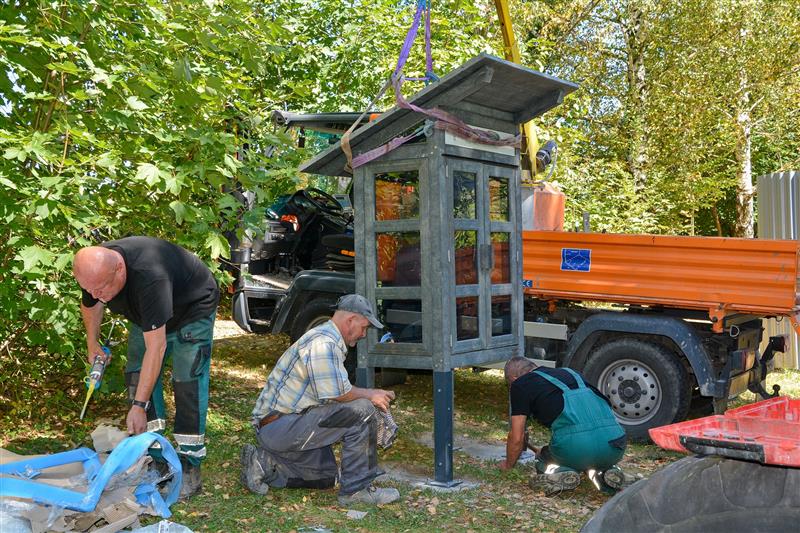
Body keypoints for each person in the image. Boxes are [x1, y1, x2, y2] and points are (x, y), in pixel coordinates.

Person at [73, 236, 219, 499]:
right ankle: (155, 457)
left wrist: (139, 406)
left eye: (102, 289)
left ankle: (189, 465)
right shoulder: (95, 270)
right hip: (146, 315)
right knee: (136, 374)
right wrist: (92, 342)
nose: (97, 295)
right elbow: (90, 304)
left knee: (187, 380)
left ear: (119, 269)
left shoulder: (150, 275)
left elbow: (157, 349)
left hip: (192, 308)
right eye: (90, 289)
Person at [241, 294, 400, 505]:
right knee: (362, 411)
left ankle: (262, 463)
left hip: (283, 426)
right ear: (350, 320)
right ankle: (357, 491)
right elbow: (338, 394)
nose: (363, 334)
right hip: (281, 425)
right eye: (364, 327)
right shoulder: (323, 343)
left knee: (326, 476)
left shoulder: (327, 341)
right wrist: (371, 395)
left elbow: (332, 398)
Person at [499, 357, 634, 495]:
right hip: (615, 444)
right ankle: (608, 472)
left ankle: (558, 473)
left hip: (577, 448)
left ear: (514, 378)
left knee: (544, 459)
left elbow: (516, 437)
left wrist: (508, 465)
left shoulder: (520, 384)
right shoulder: (571, 373)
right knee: (590, 458)